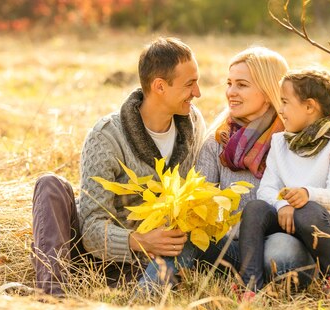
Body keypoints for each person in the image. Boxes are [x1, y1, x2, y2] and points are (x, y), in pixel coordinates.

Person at [140, 46, 330, 292]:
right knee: (185, 237)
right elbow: (199, 209)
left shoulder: (301, 136)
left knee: (281, 250)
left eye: (242, 85)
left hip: (290, 245)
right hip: (238, 247)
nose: (231, 92)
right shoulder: (218, 142)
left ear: (269, 88)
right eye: (229, 83)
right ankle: (147, 293)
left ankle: (277, 279)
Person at [31, 37, 206, 296]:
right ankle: (52, 294)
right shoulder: (107, 136)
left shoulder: (192, 123)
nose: (198, 93)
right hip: (91, 253)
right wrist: (141, 241)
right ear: (160, 86)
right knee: (50, 185)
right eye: (190, 84)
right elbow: (90, 227)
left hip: (146, 263)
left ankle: (129, 288)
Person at [238, 68, 330, 297]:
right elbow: (267, 188)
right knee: (254, 208)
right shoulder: (280, 141)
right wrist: (282, 205)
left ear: (309, 106)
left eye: (285, 102)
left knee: (308, 210)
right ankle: (250, 288)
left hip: (323, 228)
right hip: (286, 221)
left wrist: (305, 194)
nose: (280, 110)